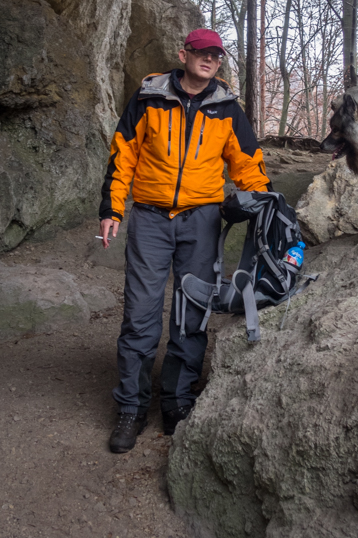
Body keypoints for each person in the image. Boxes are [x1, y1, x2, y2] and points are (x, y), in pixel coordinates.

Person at [99, 28, 270, 454]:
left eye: (216, 55)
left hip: (203, 221)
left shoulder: (227, 107)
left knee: (191, 313)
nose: (209, 60)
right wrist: (111, 208)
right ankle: (130, 408)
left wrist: (264, 202)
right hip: (151, 220)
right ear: (184, 54)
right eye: (202, 53)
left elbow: (247, 164)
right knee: (140, 315)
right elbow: (123, 154)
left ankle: (177, 402)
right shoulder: (149, 97)